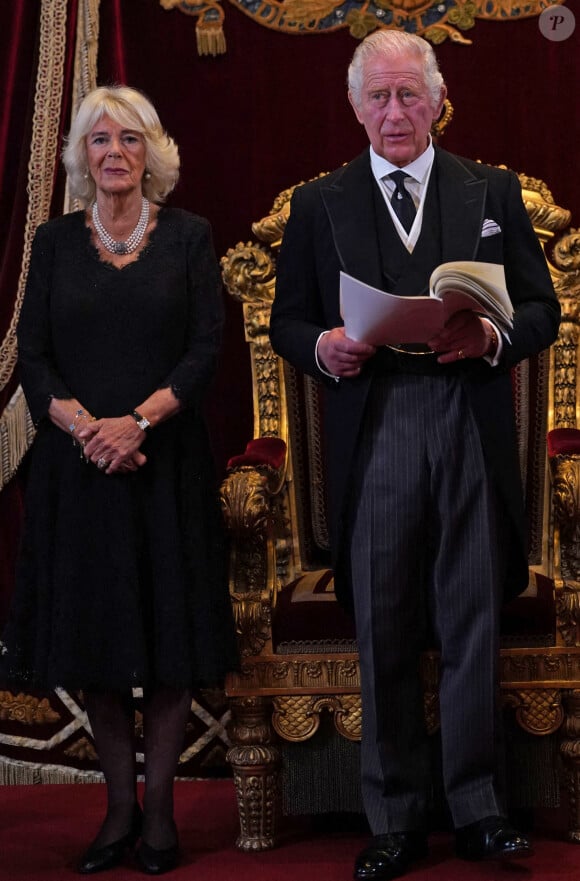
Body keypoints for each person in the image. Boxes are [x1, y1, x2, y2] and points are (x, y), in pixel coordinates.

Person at [270, 30, 561, 881]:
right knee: (386, 622)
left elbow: (542, 310)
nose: (394, 113)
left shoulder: (492, 190)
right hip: (377, 425)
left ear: (437, 99)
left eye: (409, 96)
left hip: (468, 419)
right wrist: (323, 344)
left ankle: (476, 809)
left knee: (472, 617)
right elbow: (289, 318)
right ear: (355, 106)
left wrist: (494, 336)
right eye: (378, 98)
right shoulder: (319, 202)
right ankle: (393, 818)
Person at [0, 85, 238, 875]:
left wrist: (137, 422)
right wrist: (86, 429)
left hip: (164, 465)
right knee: (98, 644)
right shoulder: (56, 242)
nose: (113, 153)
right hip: (81, 472)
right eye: (98, 140)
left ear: (152, 152)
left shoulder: (190, 238)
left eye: (128, 139)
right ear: (80, 156)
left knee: (168, 643)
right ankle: (116, 810)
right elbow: (32, 354)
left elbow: (206, 347)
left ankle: (162, 814)